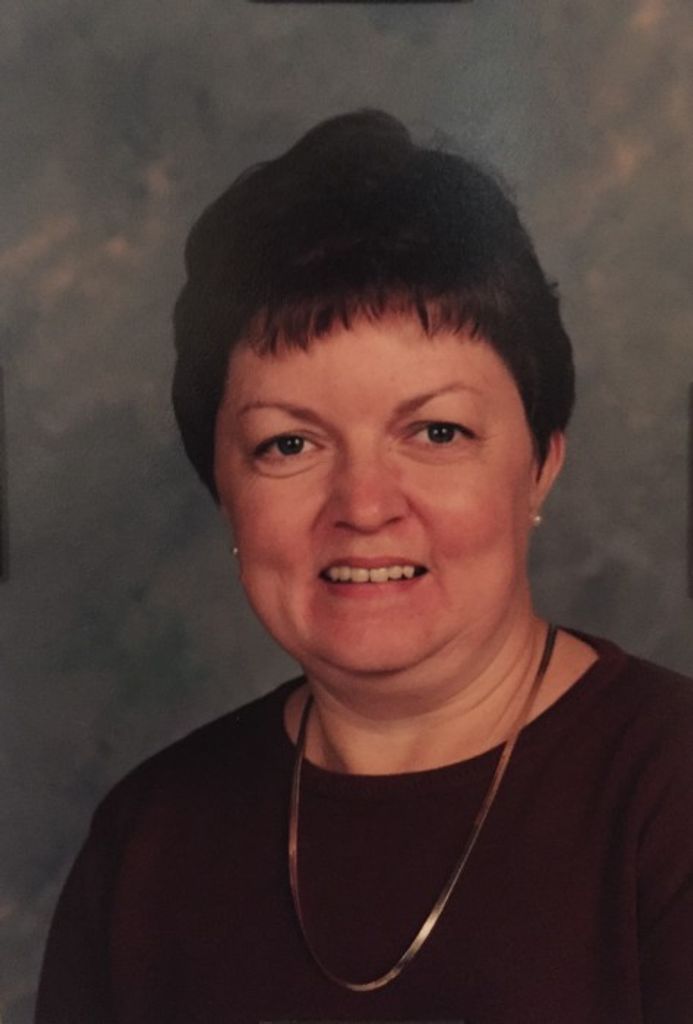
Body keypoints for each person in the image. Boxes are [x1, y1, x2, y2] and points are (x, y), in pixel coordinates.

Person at [36, 110, 693, 1024]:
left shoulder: (669, 793)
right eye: (288, 444)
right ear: (223, 490)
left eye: (436, 432)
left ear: (540, 463)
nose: (364, 504)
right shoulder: (146, 843)